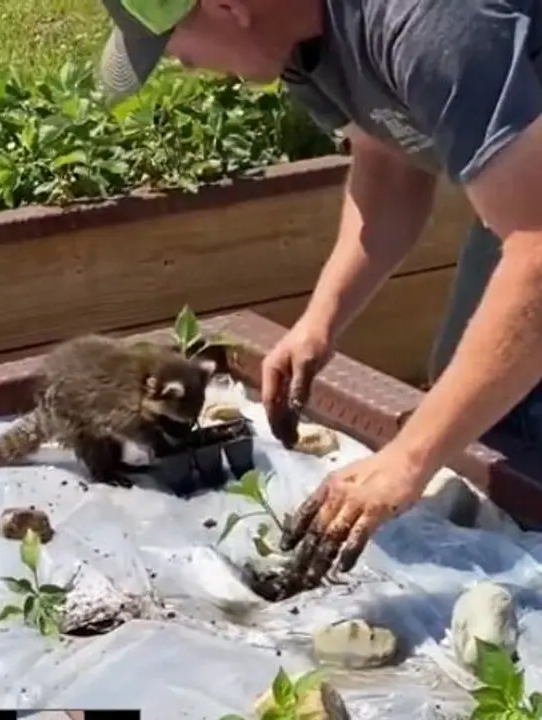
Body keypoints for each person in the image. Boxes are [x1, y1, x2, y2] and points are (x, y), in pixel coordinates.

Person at [96, 0, 542, 585]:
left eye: (174, 41)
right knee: (487, 413)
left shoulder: (428, 23)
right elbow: (389, 165)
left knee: (516, 417)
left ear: (228, 6)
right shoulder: (299, 43)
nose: (183, 64)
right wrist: (318, 323)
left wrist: (407, 459)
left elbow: (537, 255)